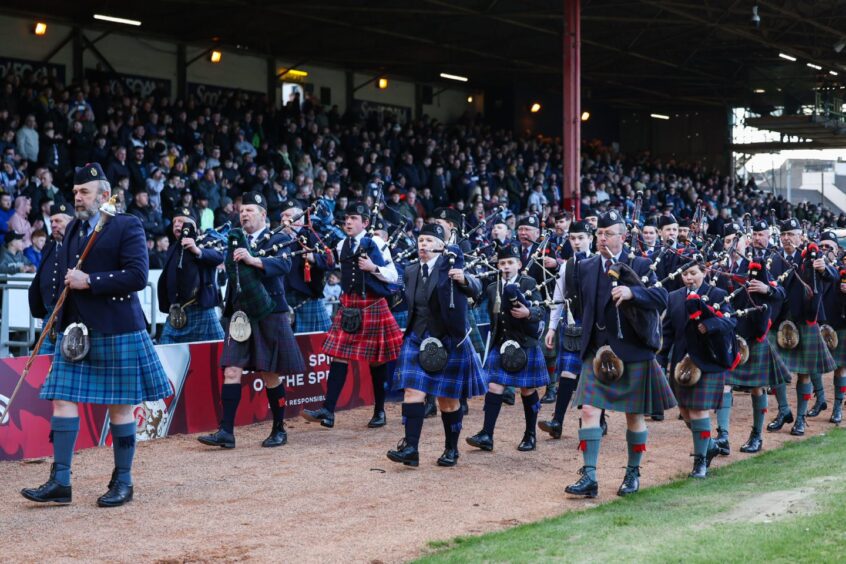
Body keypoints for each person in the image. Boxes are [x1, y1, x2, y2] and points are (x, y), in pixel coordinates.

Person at [21, 163, 171, 507]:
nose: (77, 196)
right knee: (61, 398)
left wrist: (90, 281)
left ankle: (124, 481)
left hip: (117, 326)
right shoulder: (72, 229)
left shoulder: (125, 225)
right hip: (77, 333)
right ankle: (60, 481)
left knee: (119, 408)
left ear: (104, 195)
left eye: (83, 191)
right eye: (75, 191)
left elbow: (136, 276)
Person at [564, 210, 675, 498]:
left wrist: (633, 292)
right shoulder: (585, 266)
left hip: (633, 350)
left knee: (633, 416)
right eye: (599, 233)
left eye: (608, 233)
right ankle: (589, 476)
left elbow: (663, 298)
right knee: (588, 409)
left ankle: (632, 473)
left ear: (622, 237)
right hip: (597, 349)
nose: (602, 238)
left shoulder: (640, 263)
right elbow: (580, 305)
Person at [197, 191, 305, 449]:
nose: (244, 213)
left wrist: (252, 259)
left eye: (250, 210)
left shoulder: (279, 237)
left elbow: (284, 266)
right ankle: (226, 432)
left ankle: (279, 428)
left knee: (270, 374)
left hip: (270, 313)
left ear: (263, 215)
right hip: (240, 315)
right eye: (242, 209)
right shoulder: (236, 239)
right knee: (232, 370)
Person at [386, 223, 486, 467]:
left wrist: (464, 279)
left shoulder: (451, 267)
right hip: (417, 338)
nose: (423, 245)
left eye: (429, 241)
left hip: (448, 339)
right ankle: (411, 449)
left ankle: (451, 449)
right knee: (412, 391)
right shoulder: (410, 271)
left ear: (442, 246)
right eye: (421, 240)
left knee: (447, 401)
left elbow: (476, 288)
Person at [303, 201, 403, 429]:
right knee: (338, 355)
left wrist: (372, 268)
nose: (348, 222)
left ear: (365, 223)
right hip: (349, 306)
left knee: (377, 362)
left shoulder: (376, 242)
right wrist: (310, 258)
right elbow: (330, 261)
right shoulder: (342, 243)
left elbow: (394, 275)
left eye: (354, 218)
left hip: (373, 305)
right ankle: (328, 411)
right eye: (346, 218)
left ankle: (379, 411)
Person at [715, 223, 790, 454]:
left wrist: (767, 290)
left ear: (742, 242)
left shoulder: (755, 266)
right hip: (730, 335)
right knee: (725, 385)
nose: (729, 245)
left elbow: (780, 293)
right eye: (726, 241)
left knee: (758, 388)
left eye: (733, 241)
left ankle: (757, 436)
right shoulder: (719, 267)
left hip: (753, 335)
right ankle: (723, 438)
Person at [465, 244, 547, 453]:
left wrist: (529, 313)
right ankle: (486, 435)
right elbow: (475, 300)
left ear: (519, 264)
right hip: (501, 344)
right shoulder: (493, 287)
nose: (506, 267)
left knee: (528, 390)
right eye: (502, 263)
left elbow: (541, 310)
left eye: (510, 263)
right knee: (494, 387)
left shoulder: (528, 282)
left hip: (525, 344)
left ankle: (530, 435)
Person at [659, 258, 735, 478]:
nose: (689, 278)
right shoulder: (674, 297)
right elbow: (667, 333)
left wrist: (710, 325)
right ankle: (709, 444)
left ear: (704, 272)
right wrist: (662, 361)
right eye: (685, 274)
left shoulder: (718, 294)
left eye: (693, 273)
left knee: (698, 411)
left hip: (709, 361)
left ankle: (700, 462)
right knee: (684, 412)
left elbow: (731, 322)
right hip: (682, 363)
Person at [766, 218, 836, 436]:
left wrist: (824, 268)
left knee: (804, 374)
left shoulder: (811, 256)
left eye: (791, 233)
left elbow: (832, 276)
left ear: (800, 236)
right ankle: (784, 411)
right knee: (774, 373)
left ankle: (801, 418)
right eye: (784, 233)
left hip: (804, 321)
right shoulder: (774, 258)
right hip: (778, 322)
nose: (787, 238)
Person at [539, 220, 606, 438]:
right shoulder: (567, 265)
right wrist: (551, 328)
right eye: (573, 238)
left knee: (596, 372)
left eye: (581, 238)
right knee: (567, 372)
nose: (577, 242)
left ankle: (601, 420)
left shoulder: (601, 262)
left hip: (597, 326)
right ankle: (557, 422)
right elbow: (558, 297)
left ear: (591, 239)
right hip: (574, 325)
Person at [157, 208, 225, 344]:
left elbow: (218, 256)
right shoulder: (172, 248)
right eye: (174, 222)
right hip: (177, 312)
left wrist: (197, 250)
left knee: (218, 352)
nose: (176, 224)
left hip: (201, 309)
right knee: (166, 351)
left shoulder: (206, 241)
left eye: (181, 221)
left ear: (193, 226)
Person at [280, 200, 333, 333]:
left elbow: (330, 261)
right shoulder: (278, 240)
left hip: (308, 299)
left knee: (317, 346)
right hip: (285, 301)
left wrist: (314, 258)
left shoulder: (313, 236)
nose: (283, 219)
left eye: (287, 215)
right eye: (282, 216)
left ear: (299, 219)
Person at [28, 202, 73, 356]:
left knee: (66, 359)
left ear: (71, 222)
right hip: (49, 316)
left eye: (58, 221)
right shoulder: (49, 247)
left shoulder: (78, 246)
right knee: (42, 358)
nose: (53, 225)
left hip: (69, 315)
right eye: (52, 221)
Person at [818, 231, 845, 424]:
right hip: (819, 323)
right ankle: (820, 399)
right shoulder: (812, 268)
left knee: (841, 368)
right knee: (811, 367)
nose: (825, 250)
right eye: (822, 246)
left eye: (830, 247)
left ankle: (837, 406)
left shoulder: (844, 269)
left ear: (838, 251)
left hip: (840, 322)